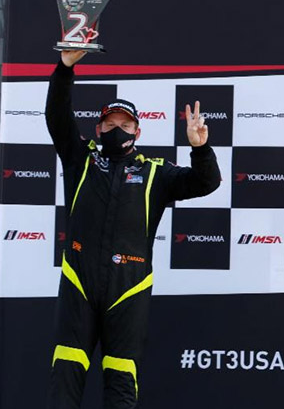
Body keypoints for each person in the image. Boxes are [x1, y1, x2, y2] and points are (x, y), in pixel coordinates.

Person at [46, 50, 221, 409]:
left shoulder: (155, 172)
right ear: (98, 128)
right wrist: (65, 68)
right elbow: (57, 116)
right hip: (79, 279)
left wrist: (200, 148)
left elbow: (207, 182)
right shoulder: (80, 158)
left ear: (137, 131)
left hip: (129, 288)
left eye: (125, 125)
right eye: (110, 124)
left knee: (121, 381)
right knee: (66, 373)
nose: (117, 130)